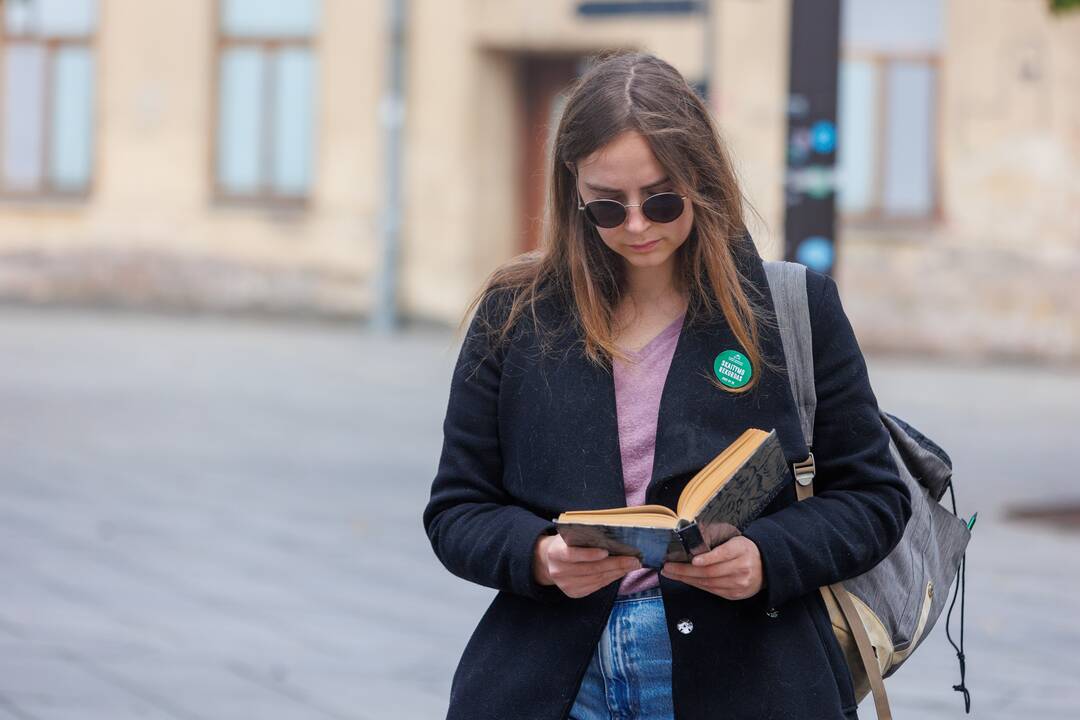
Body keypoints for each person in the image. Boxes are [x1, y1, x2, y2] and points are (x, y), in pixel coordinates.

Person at [422, 52, 910, 720]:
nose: (637, 226)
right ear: (573, 195)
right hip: (555, 681)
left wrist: (766, 556)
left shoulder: (792, 307)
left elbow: (874, 499)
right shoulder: (516, 315)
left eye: (660, 199)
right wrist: (538, 557)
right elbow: (456, 510)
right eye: (605, 208)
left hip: (750, 679)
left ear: (702, 178)